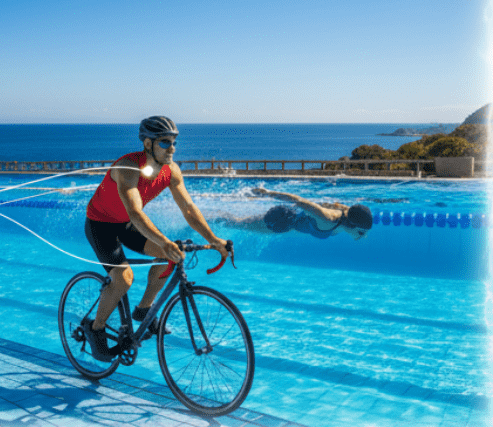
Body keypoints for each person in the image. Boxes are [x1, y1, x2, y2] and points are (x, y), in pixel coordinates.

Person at [83, 116, 231, 362]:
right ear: (148, 144)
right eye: (165, 142)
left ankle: (143, 311)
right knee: (123, 278)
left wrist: (214, 240)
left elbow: (189, 210)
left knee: (172, 257)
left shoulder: (171, 171)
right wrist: (164, 241)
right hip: (101, 225)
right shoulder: (127, 168)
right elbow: (136, 212)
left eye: (174, 142)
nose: (172, 148)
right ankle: (95, 329)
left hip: (127, 225)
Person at [216, 187, 373, 240]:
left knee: (238, 222)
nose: (362, 236)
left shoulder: (346, 213)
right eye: (361, 232)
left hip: (290, 222)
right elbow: (298, 200)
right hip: (281, 219)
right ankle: (209, 219)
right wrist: (268, 193)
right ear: (352, 224)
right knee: (236, 223)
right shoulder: (328, 218)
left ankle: (213, 218)